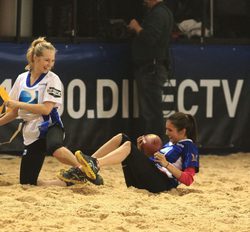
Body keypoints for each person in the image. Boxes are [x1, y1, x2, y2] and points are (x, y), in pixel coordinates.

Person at [0, 37, 103, 186]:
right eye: (46, 60)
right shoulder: (21, 79)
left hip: (50, 125)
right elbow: (14, 112)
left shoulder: (52, 79)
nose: (50, 64)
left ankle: (85, 170)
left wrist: (16, 103)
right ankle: (70, 182)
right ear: (35, 58)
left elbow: (46, 109)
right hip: (31, 132)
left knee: (55, 147)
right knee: (27, 182)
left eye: (53, 61)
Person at [58, 112, 199, 193]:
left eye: (170, 130)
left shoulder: (189, 147)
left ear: (183, 131)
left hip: (161, 185)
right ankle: (83, 169)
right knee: (122, 137)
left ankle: (95, 164)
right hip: (148, 180)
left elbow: (188, 180)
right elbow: (154, 163)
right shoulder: (172, 143)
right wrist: (141, 152)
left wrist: (166, 164)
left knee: (127, 145)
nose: (166, 133)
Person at [127, 0, 174, 140]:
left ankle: (156, 145)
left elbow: (150, 38)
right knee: (152, 110)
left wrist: (136, 27)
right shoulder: (163, 12)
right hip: (152, 68)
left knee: (152, 112)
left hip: (151, 69)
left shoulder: (158, 13)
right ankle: (155, 144)